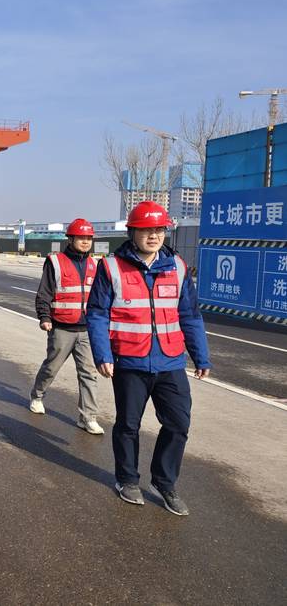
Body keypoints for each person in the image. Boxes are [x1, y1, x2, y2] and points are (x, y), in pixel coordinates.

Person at [86, 201, 210, 516]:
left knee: (178, 423)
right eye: (146, 230)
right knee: (128, 425)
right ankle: (127, 479)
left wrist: (201, 356)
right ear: (132, 232)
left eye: (159, 229)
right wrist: (102, 354)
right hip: (129, 361)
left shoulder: (177, 267)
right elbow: (97, 314)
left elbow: (190, 315)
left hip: (170, 361)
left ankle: (164, 482)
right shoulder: (111, 267)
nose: (153, 236)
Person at [30, 218, 104, 435]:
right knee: (51, 368)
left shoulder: (95, 265)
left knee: (89, 374)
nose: (86, 241)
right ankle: (37, 396)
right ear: (70, 239)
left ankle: (88, 417)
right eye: (81, 237)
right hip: (61, 328)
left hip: (86, 330)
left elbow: (101, 298)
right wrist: (44, 317)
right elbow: (44, 293)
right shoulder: (55, 262)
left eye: (89, 238)